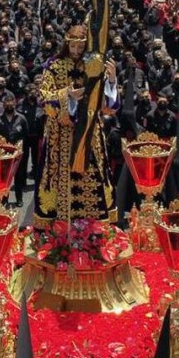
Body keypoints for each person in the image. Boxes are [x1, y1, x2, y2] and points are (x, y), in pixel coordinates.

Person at [34, 25, 119, 226]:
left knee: (93, 173)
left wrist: (112, 80)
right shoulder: (53, 65)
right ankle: (58, 226)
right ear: (66, 45)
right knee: (57, 176)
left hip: (89, 131)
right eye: (72, 47)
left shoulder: (93, 65)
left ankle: (94, 226)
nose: (76, 52)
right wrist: (67, 96)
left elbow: (108, 108)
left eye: (80, 48)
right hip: (60, 134)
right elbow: (44, 97)